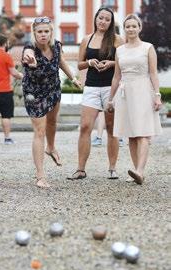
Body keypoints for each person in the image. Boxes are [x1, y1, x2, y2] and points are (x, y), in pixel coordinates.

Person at [22, 17, 81, 188]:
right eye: (39, 31)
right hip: (34, 93)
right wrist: (31, 62)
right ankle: (40, 176)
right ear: (34, 33)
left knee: (53, 122)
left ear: (51, 32)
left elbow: (61, 62)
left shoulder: (57, 46)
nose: (43, 34)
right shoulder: (29, 49)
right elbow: (28, 55)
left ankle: (51, 147)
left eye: (46, 31)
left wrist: (73, 78)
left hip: (53, 89)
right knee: (39, 131)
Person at [68, 7, 124, 180]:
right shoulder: (87, 39)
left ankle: (112, 168)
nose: (103, 22)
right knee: (85, 127)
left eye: (107, 19)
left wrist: (111, 63)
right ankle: (80, 169)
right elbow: (79, 64)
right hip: (91, 87)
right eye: (101, 18)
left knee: (111, 129)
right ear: (96, 19)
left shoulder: (118, 40)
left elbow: (124, 63)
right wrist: (90, 62)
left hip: (111, 87)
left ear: (111, 22)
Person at [107, 14, 162, 184]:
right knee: (130, 134)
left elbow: (153, 73)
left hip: (143, 91)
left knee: (143, 133)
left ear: (139, 28)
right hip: (125, 93)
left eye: (134, 26)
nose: (131, 29)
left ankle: (140, 171)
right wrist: (111, 99)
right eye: (127, 26)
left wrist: (157, 95)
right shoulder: (120, 50)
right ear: (124, 29)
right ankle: (137, 170)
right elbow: (116, 77)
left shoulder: (148, 48)